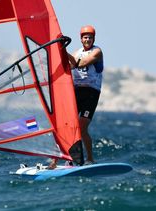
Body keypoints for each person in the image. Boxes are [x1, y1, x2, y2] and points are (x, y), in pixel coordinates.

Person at [47, 25, 104, 169]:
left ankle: (89, 159)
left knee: (81, 127)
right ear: (81, 39)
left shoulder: (97, 52)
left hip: (91, 93)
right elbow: (67, 64)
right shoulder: (77, 52)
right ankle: (55, 161)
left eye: (90, 37)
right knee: (64, 125)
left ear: (94, 39)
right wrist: (59, 47)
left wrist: (64, 49)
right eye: (85, 37)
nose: (87, 40)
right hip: (77, 92)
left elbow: (80, 63)